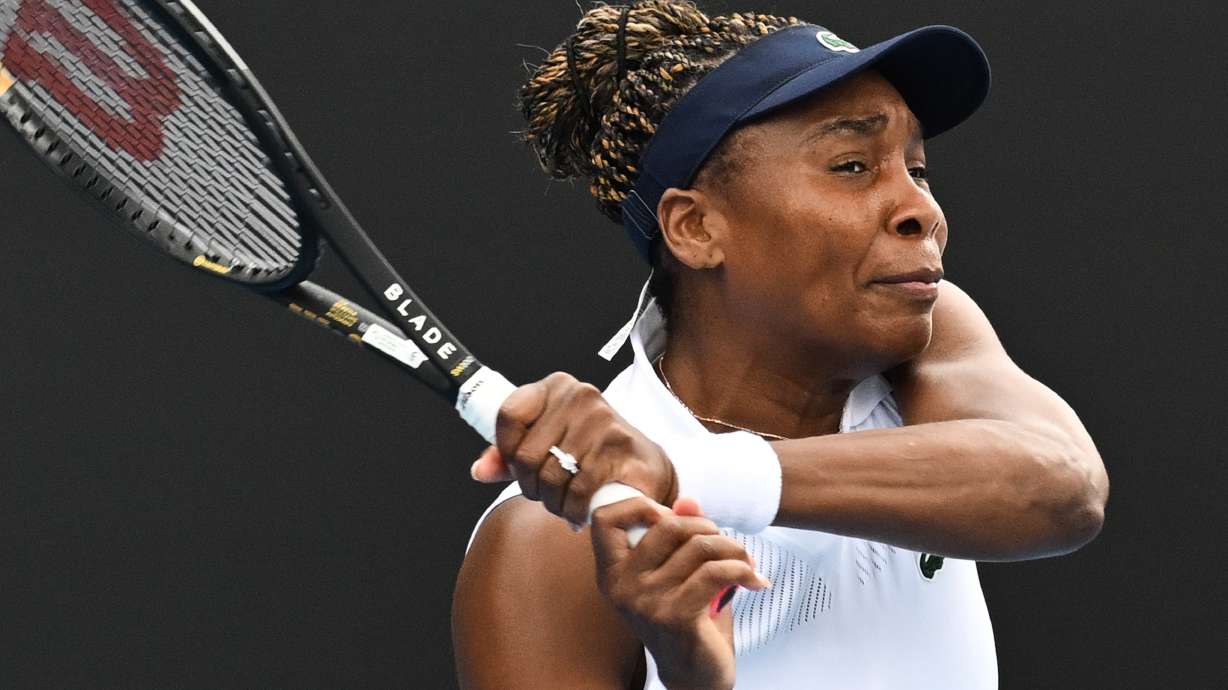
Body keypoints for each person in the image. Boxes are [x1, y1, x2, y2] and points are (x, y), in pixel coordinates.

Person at [453, 2, 1109, 688]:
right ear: (696, 228)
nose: (924, 210)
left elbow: (1064, 487)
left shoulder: (928, 332)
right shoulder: (547, 548)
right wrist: (693, 680)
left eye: (917, 169)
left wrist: (686, 475)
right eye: (853, 165)